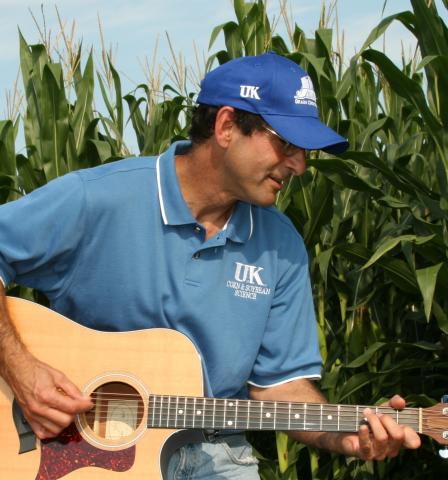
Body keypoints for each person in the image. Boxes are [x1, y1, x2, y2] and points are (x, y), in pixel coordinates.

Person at [0, 51, 420, 478]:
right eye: (286, 143)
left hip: (219, 455)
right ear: (225, 127)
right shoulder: (98, 200)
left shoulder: (281, 245)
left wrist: (346, 436)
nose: (299, 165)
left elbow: (279, 384)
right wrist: (20, 367)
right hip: (74, 450)